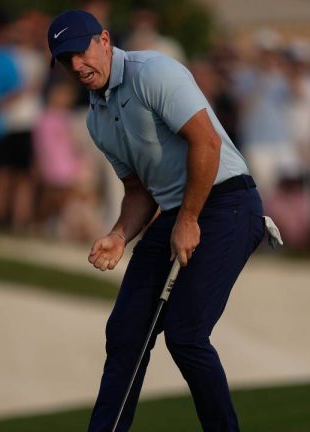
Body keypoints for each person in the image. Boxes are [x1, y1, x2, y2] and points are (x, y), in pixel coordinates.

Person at [47, 10, 265, 432]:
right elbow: (138, 191)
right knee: (126, 332)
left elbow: (207, 143)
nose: (76, 65)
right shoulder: (96, 117)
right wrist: (119, 234)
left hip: (229, 203)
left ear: (104, 40)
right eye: (65, 60)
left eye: (81, 52)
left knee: (186, 334)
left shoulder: (153, 72)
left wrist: (188, 218)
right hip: (178, 211)